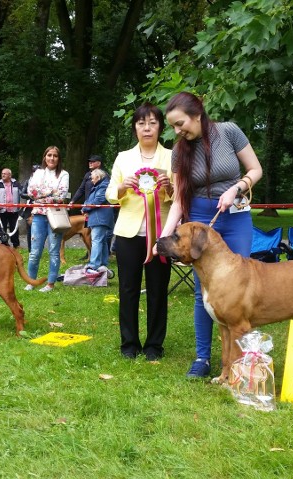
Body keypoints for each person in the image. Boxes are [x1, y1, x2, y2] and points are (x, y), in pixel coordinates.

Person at [158, 92, 263, 378]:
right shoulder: (180, 150)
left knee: (239, 286)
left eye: (180, 124)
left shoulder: (229, 132)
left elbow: (255, 169)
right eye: (173, 127)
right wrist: (162, 240)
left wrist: (237, 188)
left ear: (197, 114)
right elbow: (179, 200)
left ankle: (240, 361)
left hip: (236, 215)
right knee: (203, 293)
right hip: (201, 218)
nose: (177, 131)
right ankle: (203, 357)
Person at [107, 103, 174, 361]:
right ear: (135, 128)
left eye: (153, 122)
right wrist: (123, 187)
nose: (147, 128)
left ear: (160, 127)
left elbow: (179, 197)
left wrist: (169, 187)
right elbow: (110, 194)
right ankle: (129, 344)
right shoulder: (123, 158)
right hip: (128, 233)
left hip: (162, 233)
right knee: (128, 289)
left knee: (158, 290)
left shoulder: (172, 157)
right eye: (141, 123)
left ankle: (155, 346)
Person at [25, 146, 69, 292]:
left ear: (59, 158)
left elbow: (62, 195)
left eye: (55, 156)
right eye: (49, 155)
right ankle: (31, 281)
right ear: (44, 157)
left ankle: (50, 284)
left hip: (56, 216)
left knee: (54, 251)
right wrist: (51, 191)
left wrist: (41, 194)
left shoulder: (64, 174)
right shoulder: (38, 172)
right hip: (38, 215)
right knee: (35, 252)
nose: (52, 158)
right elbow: (31, 191)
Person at [82, 168, 113, 274]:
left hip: (100, 217)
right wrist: (85, 207)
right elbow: (90, 200)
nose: (91, 180)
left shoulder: (103, 186)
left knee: (96, 240)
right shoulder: (99, 186)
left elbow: (98, 200)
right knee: (102, 240)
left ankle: (94, 265)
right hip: (99, 217)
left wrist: (85, 208)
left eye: (92, 178)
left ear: (98, 177)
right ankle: (103, 263)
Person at [0, 168, 24, 248]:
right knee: (2, 228)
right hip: (2, 210)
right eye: (2, 173)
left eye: (5, 173)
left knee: (14, 228)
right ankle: (5, 244)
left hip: (13, 210)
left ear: (10, 175)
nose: (3, 175)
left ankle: (16, 245)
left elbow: (22, 193)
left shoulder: (16, 183)